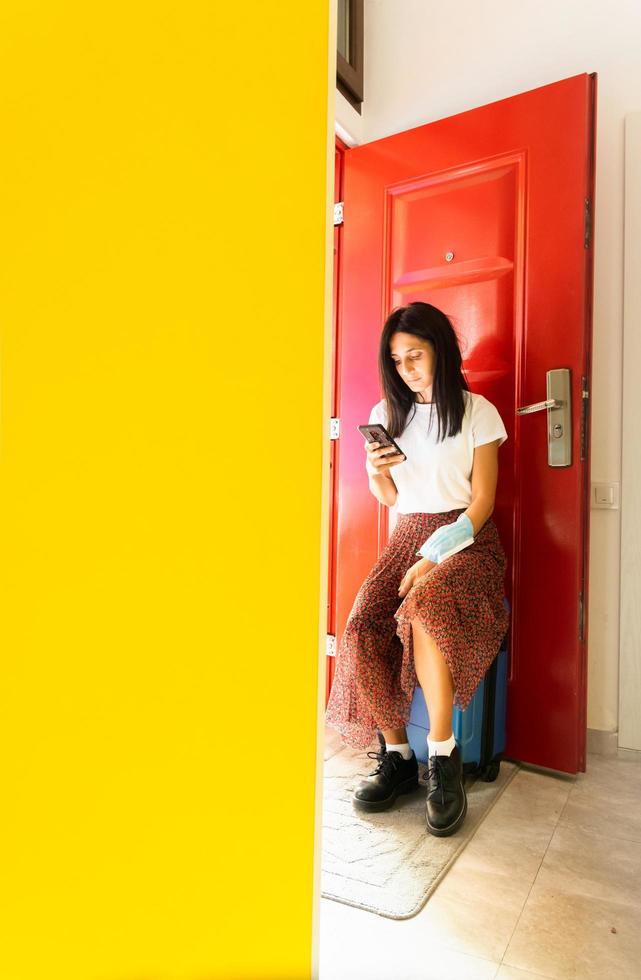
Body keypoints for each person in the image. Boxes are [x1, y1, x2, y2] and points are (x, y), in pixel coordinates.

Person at [325, 301, 510, 837]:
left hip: (465, 540)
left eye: (416, 356)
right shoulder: (387, 414)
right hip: (407, 531)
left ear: (441, 353)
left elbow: (482, 503)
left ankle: (443, 757)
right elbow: (389, 496)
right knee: (361, 624)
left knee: (425, 607)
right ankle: (400, 756)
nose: (406, 369)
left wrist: (435, 554)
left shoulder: (479, 412)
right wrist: (373, 470)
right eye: (397, 360)